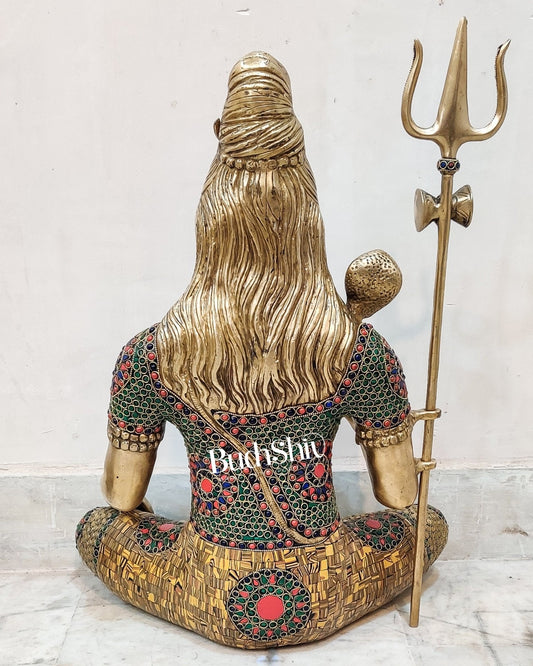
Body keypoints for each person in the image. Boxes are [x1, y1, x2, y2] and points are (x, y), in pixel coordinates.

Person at [76, 52, 447, 648]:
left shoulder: (150, 355)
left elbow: (121, 498)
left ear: (211, 216)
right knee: (429, 523)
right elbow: (400, 495)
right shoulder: (357, 349)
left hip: (201, 586)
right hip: (327, 586)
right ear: (307, 216)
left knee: (95, 527)